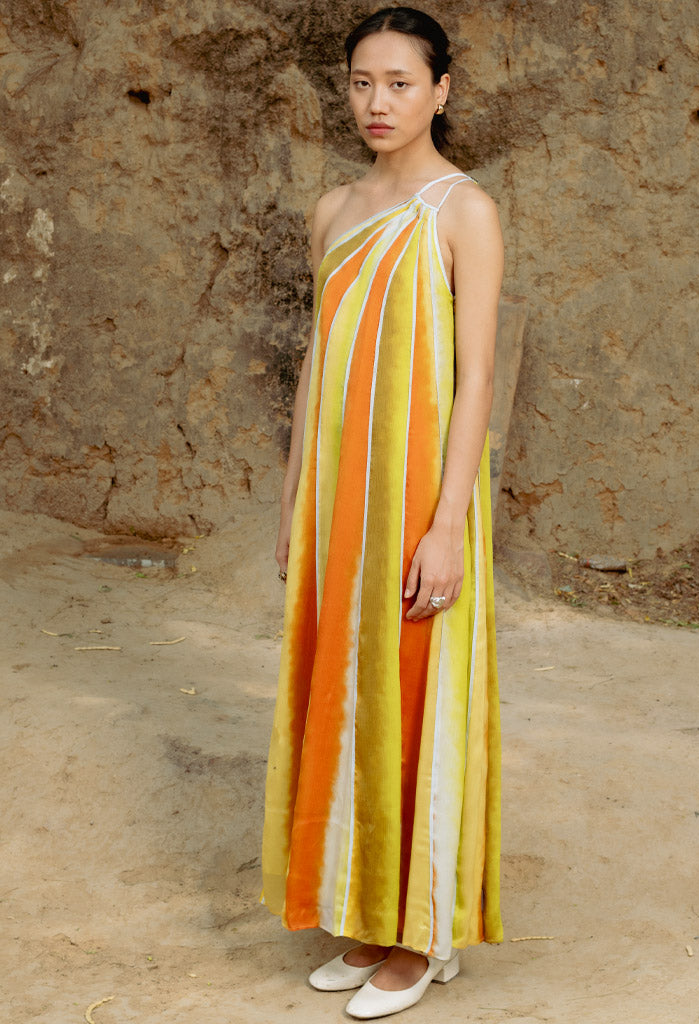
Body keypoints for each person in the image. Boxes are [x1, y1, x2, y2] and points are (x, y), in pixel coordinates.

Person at [261, 6, 504, 1018]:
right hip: (338, 496)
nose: (378, 101)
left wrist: (447, 524)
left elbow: (478, 373)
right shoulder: (333, 209)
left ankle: (423, 936)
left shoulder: (464, 211)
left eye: (400, 82)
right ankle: (369, 912)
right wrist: (293, 502)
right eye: (363, 81)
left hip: (417, 495)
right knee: (346, 689)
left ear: (441, 91)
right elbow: (319, 360)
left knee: (413, 691)